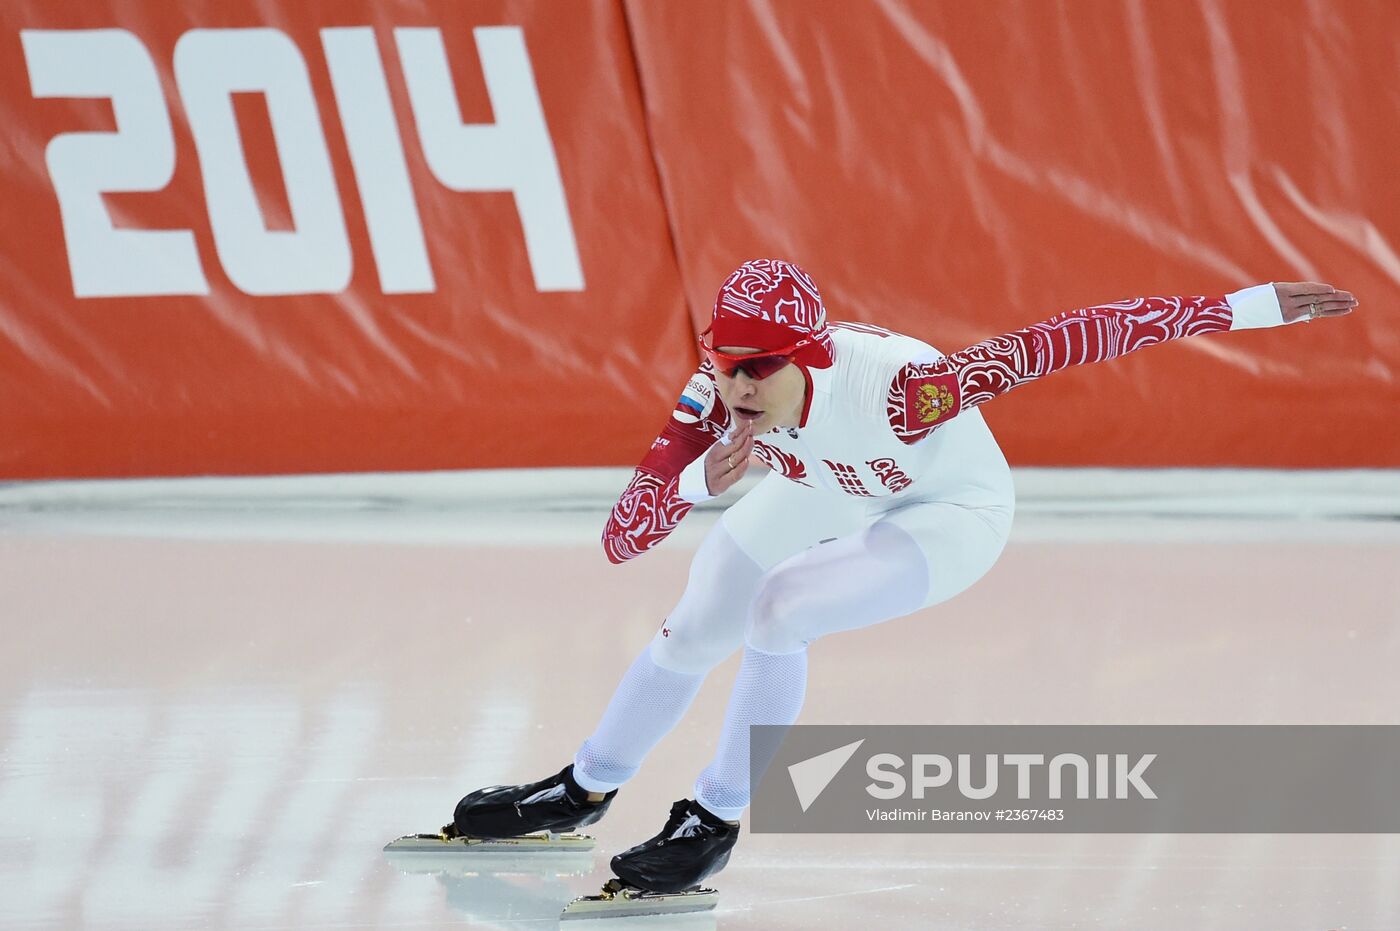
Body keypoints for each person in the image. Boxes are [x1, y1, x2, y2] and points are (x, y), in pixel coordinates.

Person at [447, 259, 1356, 895]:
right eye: (725, 365)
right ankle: (583, 789)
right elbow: (619, 539)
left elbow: (1068, 338)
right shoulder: (713, 392)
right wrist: (692, 479)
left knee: (781, 607)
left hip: (948, 512)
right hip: (835, 488)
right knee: (704, 605)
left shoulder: (902, 389)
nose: (737, 388)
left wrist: (1248, 308)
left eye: (758, 370)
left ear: (806, 358)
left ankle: (714, 823)